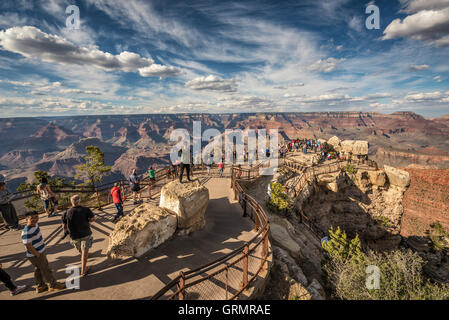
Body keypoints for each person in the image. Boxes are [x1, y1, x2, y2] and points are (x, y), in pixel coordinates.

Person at [21, 211, 66, 293]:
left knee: (38, 269)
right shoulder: (26, 231)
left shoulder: (35, 225)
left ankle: (41, 286)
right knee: (46, 269)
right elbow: (29, 246)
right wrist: (38, 255)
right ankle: (53, 285)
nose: (35, 219)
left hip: (39, 251)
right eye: (32, 218)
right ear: (26, 219)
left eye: (36, 217)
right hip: (36, 254)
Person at [62, 195, 96, 277]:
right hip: (85, 233)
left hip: (74, 235)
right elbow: (93, 219)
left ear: (71, 202)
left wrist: (65, 232)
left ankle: (84, 257)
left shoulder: (66, 212)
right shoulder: (85, 210)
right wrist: (89, 220)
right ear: (79, 201)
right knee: (84, 253)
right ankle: (83, 271)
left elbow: (64, 225)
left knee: (81, 250)